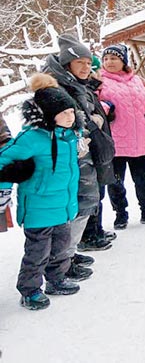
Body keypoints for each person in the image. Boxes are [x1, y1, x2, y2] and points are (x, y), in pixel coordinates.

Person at [0, 74, 83, 309]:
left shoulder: (70, 137)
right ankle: (29, 289)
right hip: (38, 207)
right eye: (63, 113)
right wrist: (8, 179)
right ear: (48, 115)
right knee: (37, 252)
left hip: (63, 205)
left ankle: (56, 280)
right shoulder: (31, 139)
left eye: (71, 112)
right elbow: (2, 162)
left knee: (61, 248)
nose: (69, 117)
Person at [43, 34, 115, 281]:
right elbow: (55, 127)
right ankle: (60, 261)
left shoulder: (78, 86)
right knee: (72, 208)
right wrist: (87, 127)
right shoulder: (56, 90)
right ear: (67, 65)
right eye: (80, 63)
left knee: (84, 203)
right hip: (70, 159)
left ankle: (68, 255)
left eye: (88, 62)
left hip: (84, 155)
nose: (87, 67)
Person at [98, 44, 145, 229]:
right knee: (115, 182)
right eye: (106, 59)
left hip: (140, 141)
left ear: (123, 60)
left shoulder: (140, 81)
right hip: (114, 143)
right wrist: (105, 110)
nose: (109, 62)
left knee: (144, 179)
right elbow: (93, 105)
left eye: (114, 58)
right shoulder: (99, 82)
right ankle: (120, 214)